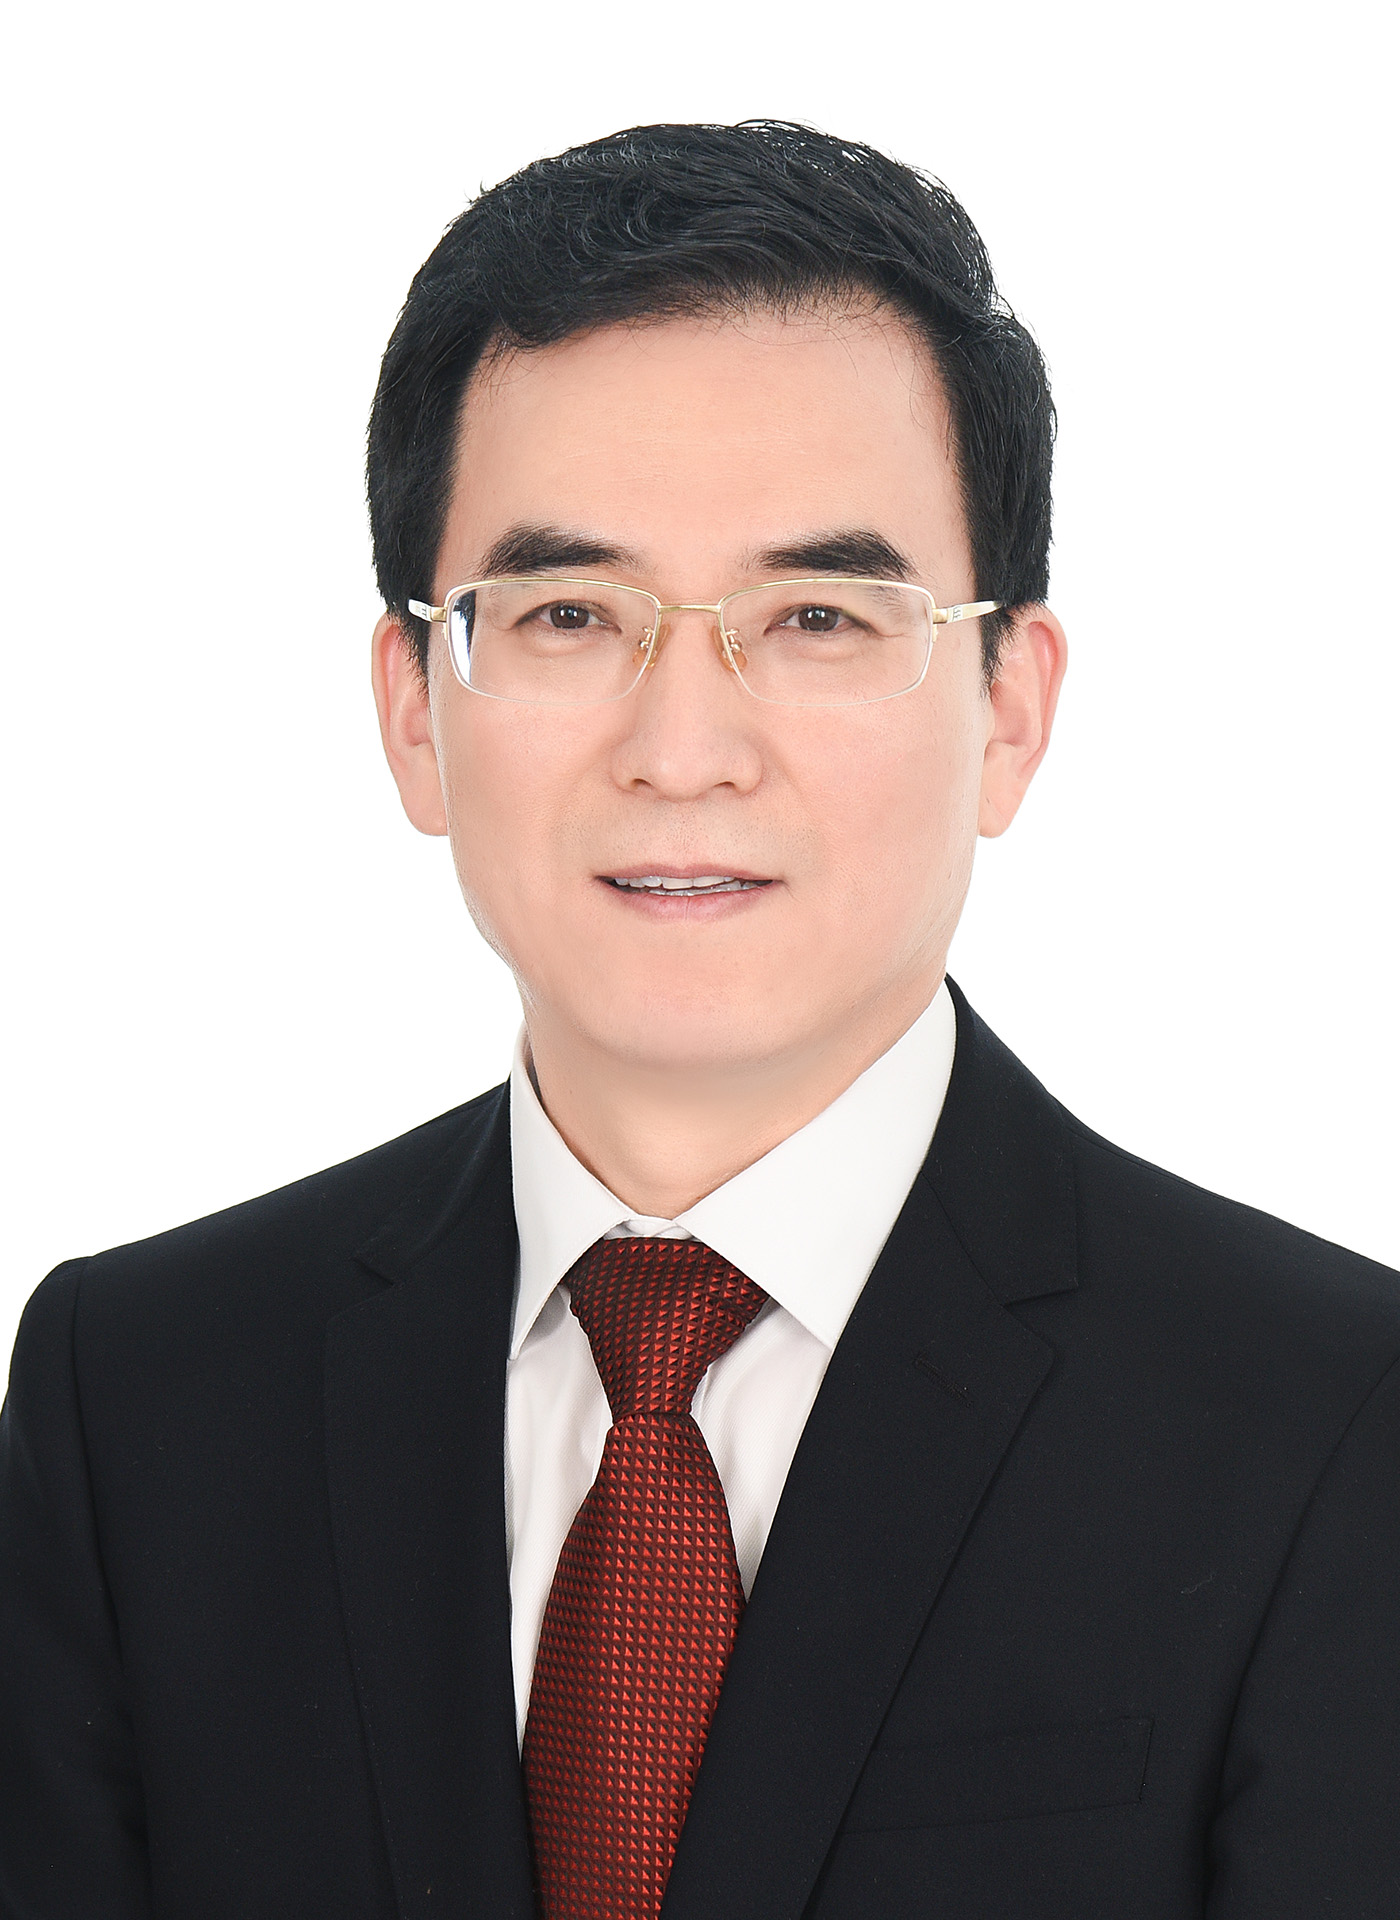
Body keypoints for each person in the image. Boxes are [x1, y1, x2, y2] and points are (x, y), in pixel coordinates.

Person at [2, 119, 1398, 1920]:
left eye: (816, 615)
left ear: (1009, 708)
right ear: (416, 710)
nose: (682, 749)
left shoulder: (1328, 1424)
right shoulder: (144, 1398)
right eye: (569, 613)